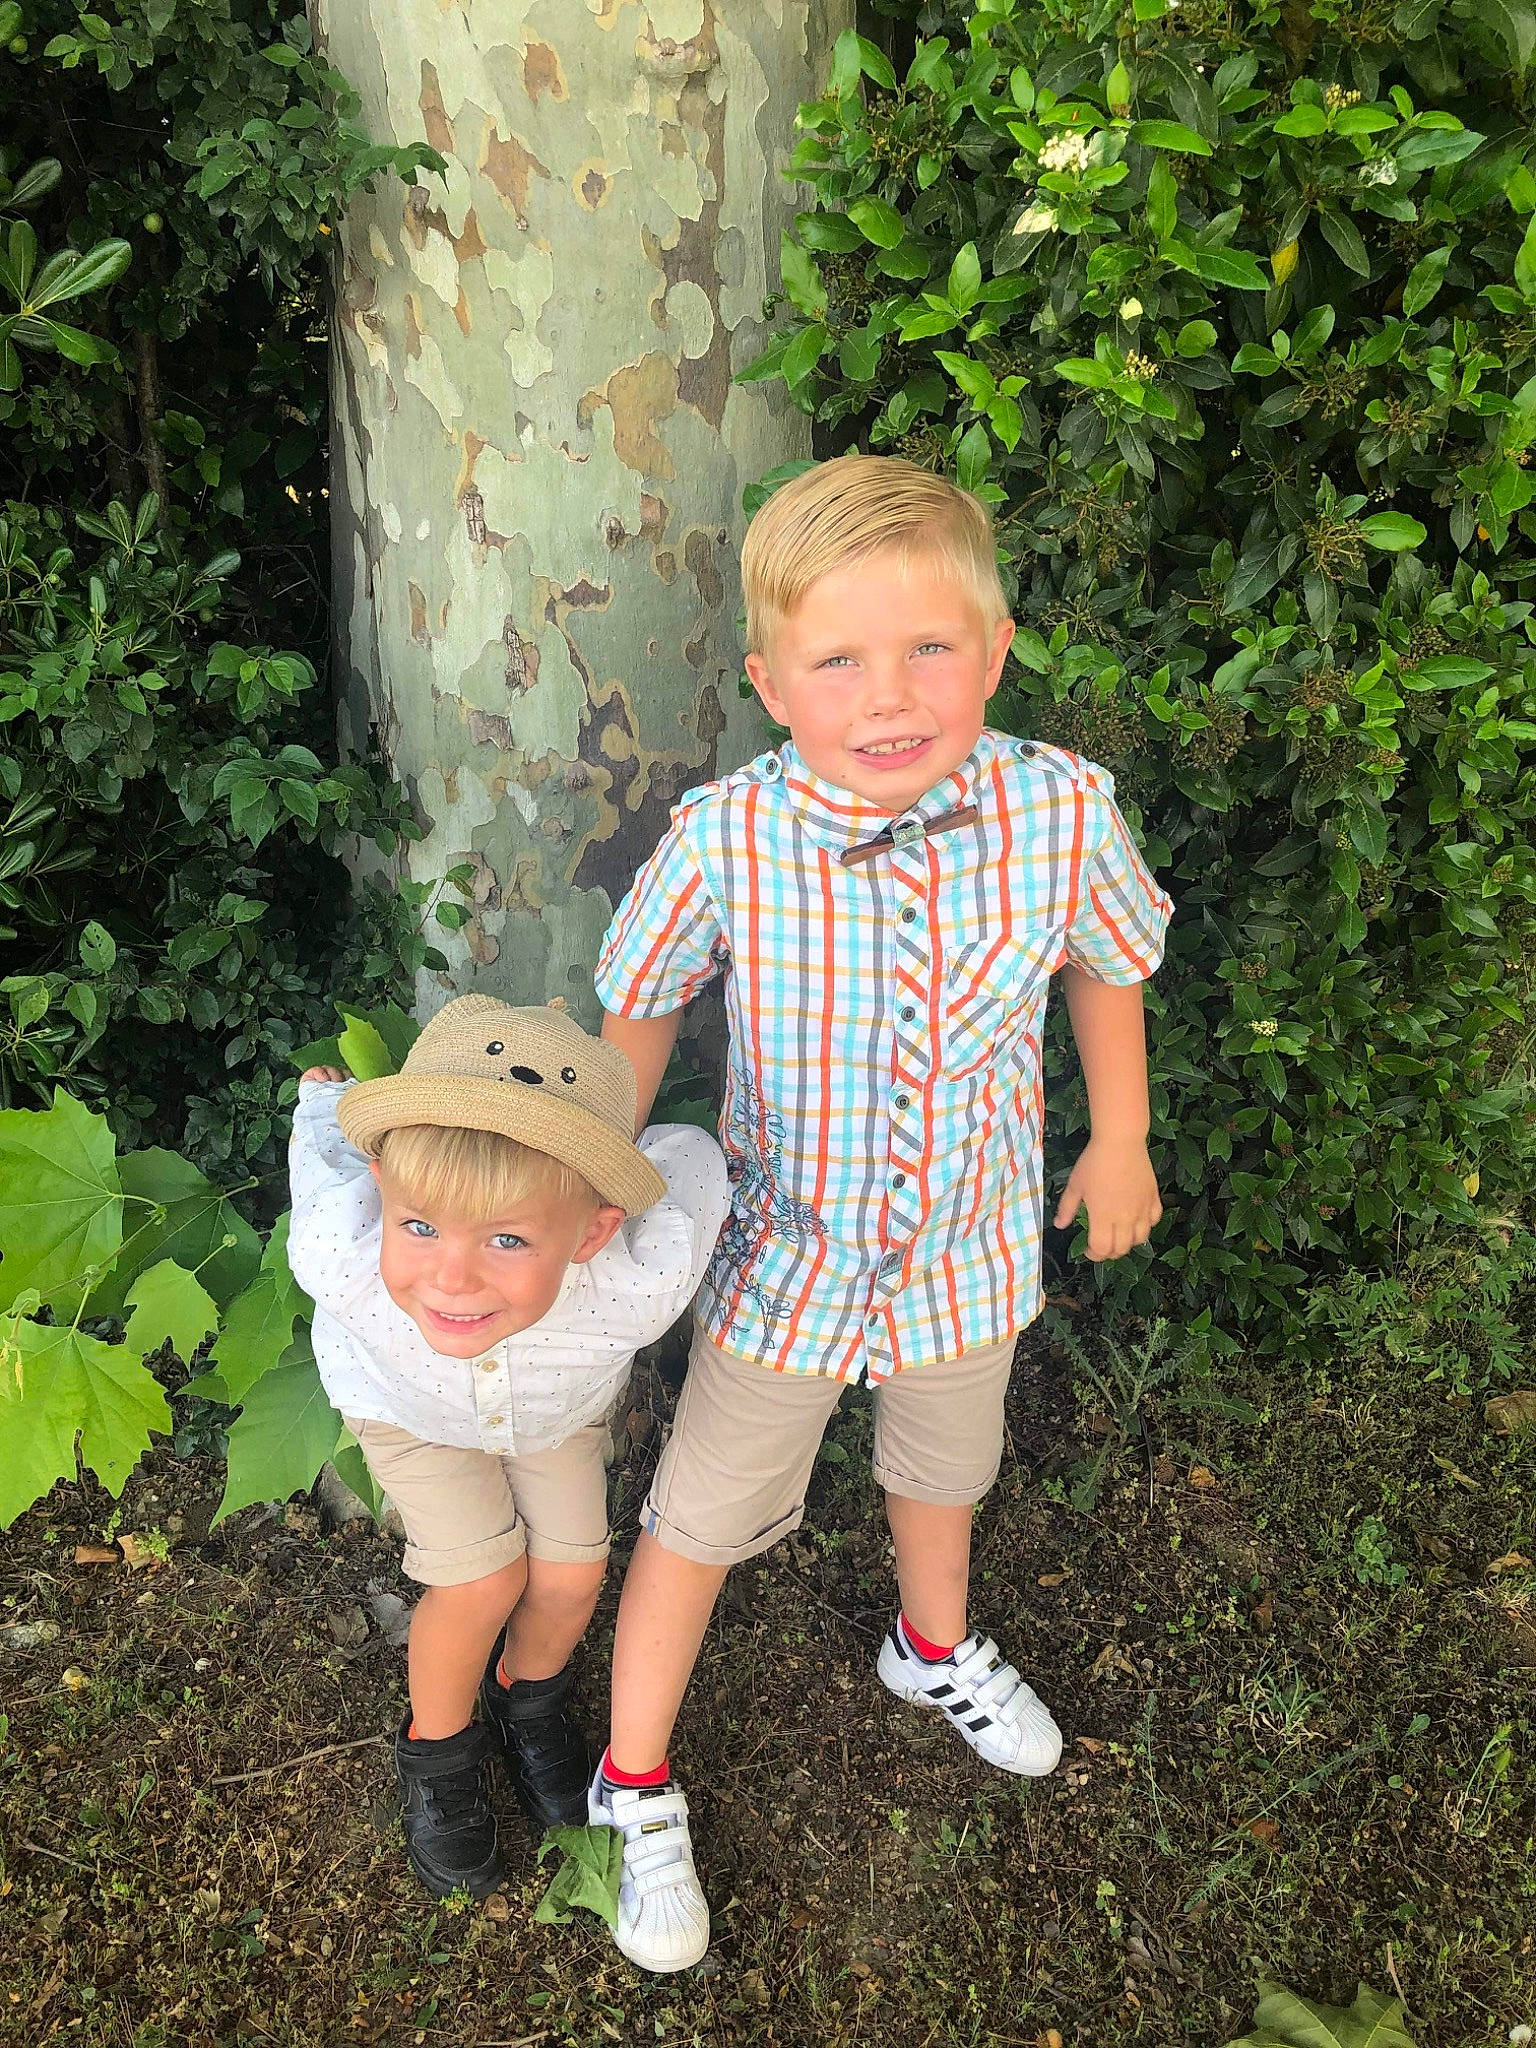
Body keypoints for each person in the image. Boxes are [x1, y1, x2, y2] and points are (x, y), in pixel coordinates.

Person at [588, 454, 1173, 1971]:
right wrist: (600, 1172)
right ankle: (632, 1775)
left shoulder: (1061, 809)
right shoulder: (726, 836)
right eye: (839, 660)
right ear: (772, 683)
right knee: (700, 1513)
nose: (890, 695)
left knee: (947, 1466)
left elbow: (1108, 960)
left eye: (929, 648)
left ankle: (933, 1645)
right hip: (787, 1256)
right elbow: (642, 1002)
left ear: (996, 650)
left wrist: (1120, 1136)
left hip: (968, 1250)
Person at [287, 994, 728, 1900]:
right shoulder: (338, 1249)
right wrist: (323, 1102)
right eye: (420, 1226)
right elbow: (327, 1159)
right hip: (407, 1413)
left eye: (508, 1238)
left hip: (552, 1417)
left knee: (571, 1575)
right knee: (481, 1580)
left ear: (594, 1232)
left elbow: (689, 1162)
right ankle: (439, 1750)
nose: (452, 1278)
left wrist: (636, 1158)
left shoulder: (636, 1279)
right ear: (383, 1191)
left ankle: (527, 1694)